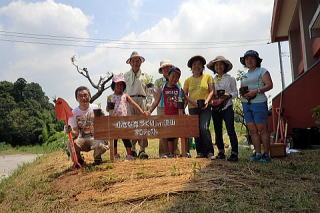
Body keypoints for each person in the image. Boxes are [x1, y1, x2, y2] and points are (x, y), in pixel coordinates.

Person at [239, 50, 273, 162]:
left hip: (259, 103)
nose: (249, 60)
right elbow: (243, 88)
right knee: (252, 130)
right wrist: (242, 93)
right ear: (244, 61)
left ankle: (266, 154)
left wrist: (256, 91)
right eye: (247, 58)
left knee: (262, 129)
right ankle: (258, 153)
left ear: (257, 60)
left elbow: (269, 85)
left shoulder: (262, 71)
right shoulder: (244, 75)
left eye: (252, 58)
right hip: (246, 103)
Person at [107, 73, 148, 161]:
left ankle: (129, 155)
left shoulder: (125, 96)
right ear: (114, 85)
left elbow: (134, 104)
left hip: (123, 121)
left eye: (121, 85)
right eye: (117, 84)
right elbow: (108, 109)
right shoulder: (110, 97)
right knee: (114, 138)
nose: (119, 87)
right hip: (114, 121)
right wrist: (109, 109)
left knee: (125, 138)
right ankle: (115, 154)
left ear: (124, 86)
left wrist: (142, 112)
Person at [207, 56, 239, 161]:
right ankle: (221, 152)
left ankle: (234, 153)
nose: (219, 66)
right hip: (215, 107)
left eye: (221, 64)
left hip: (227, 107)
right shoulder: (212, 80)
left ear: (225, 66)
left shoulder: (231, 79)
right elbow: (210, 92)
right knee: (217, 130)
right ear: (214, 68)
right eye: (216, 65)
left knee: (230, 130)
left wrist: (228, 95)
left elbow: (235, 93)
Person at [147, 67, 184, 158]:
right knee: (167, 134)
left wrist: (181, 116)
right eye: (173, 76)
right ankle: (168, 153)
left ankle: (174, 153)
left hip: (175, 115)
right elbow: (156, 101)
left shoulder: (178, 89)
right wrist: (149, 111)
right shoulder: (162, 88)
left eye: (177, 77)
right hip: (166, 114)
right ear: (168, 75)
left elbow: (180, 104)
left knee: (175, 134)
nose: (175, 79)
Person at [183, 55, 215, 160]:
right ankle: (200, 152)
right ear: (191, 67)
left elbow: (212, 91)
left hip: (206, 106)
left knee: (204, 128)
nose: (197, 66)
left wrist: (206, 101)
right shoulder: (187, 80)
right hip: (193, 107)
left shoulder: (208, 77)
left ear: (202, 67)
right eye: (194, 64)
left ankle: (209, 151)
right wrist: (185, 107)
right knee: (196, 130)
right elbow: (184, 95)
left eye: (199, 64)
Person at [67, 86, 109, 165]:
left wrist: (103, 117)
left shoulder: (96, 108)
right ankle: (79, 161)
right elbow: (75, 132)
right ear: (76, 99)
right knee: (71, 143)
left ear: (89, 96)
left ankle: (97, 158)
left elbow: (103, 124)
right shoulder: (73, 113)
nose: (83, 98)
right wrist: (69, 131)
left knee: (100, 144)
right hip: (81, 139)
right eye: (80, 96)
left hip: (95, 138)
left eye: (85, 95)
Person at [124, 51, 152, 159]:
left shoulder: (146, 76)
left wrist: (149, 106)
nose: (136, 62)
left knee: (143, 125)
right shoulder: (125, 76)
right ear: (130, 62)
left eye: (138, 60)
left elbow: (149, 92)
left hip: (142, 101)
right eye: (134, 60)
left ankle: (142, 150)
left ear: (141, 62)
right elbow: (123, 91)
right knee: (131, 125)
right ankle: (133, 150)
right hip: (129, 102)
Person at [154, 60, 181, 158]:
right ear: (161, 70)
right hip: (161, 107)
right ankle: (163, 153)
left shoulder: (177, 81)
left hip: (174, 108)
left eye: (168, 67)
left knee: (175, 129)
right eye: (164, 68)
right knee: (163, 130)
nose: (166, 69)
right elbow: (156, 95)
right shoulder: (158, 82)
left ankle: (175, 152)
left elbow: (181, 95)